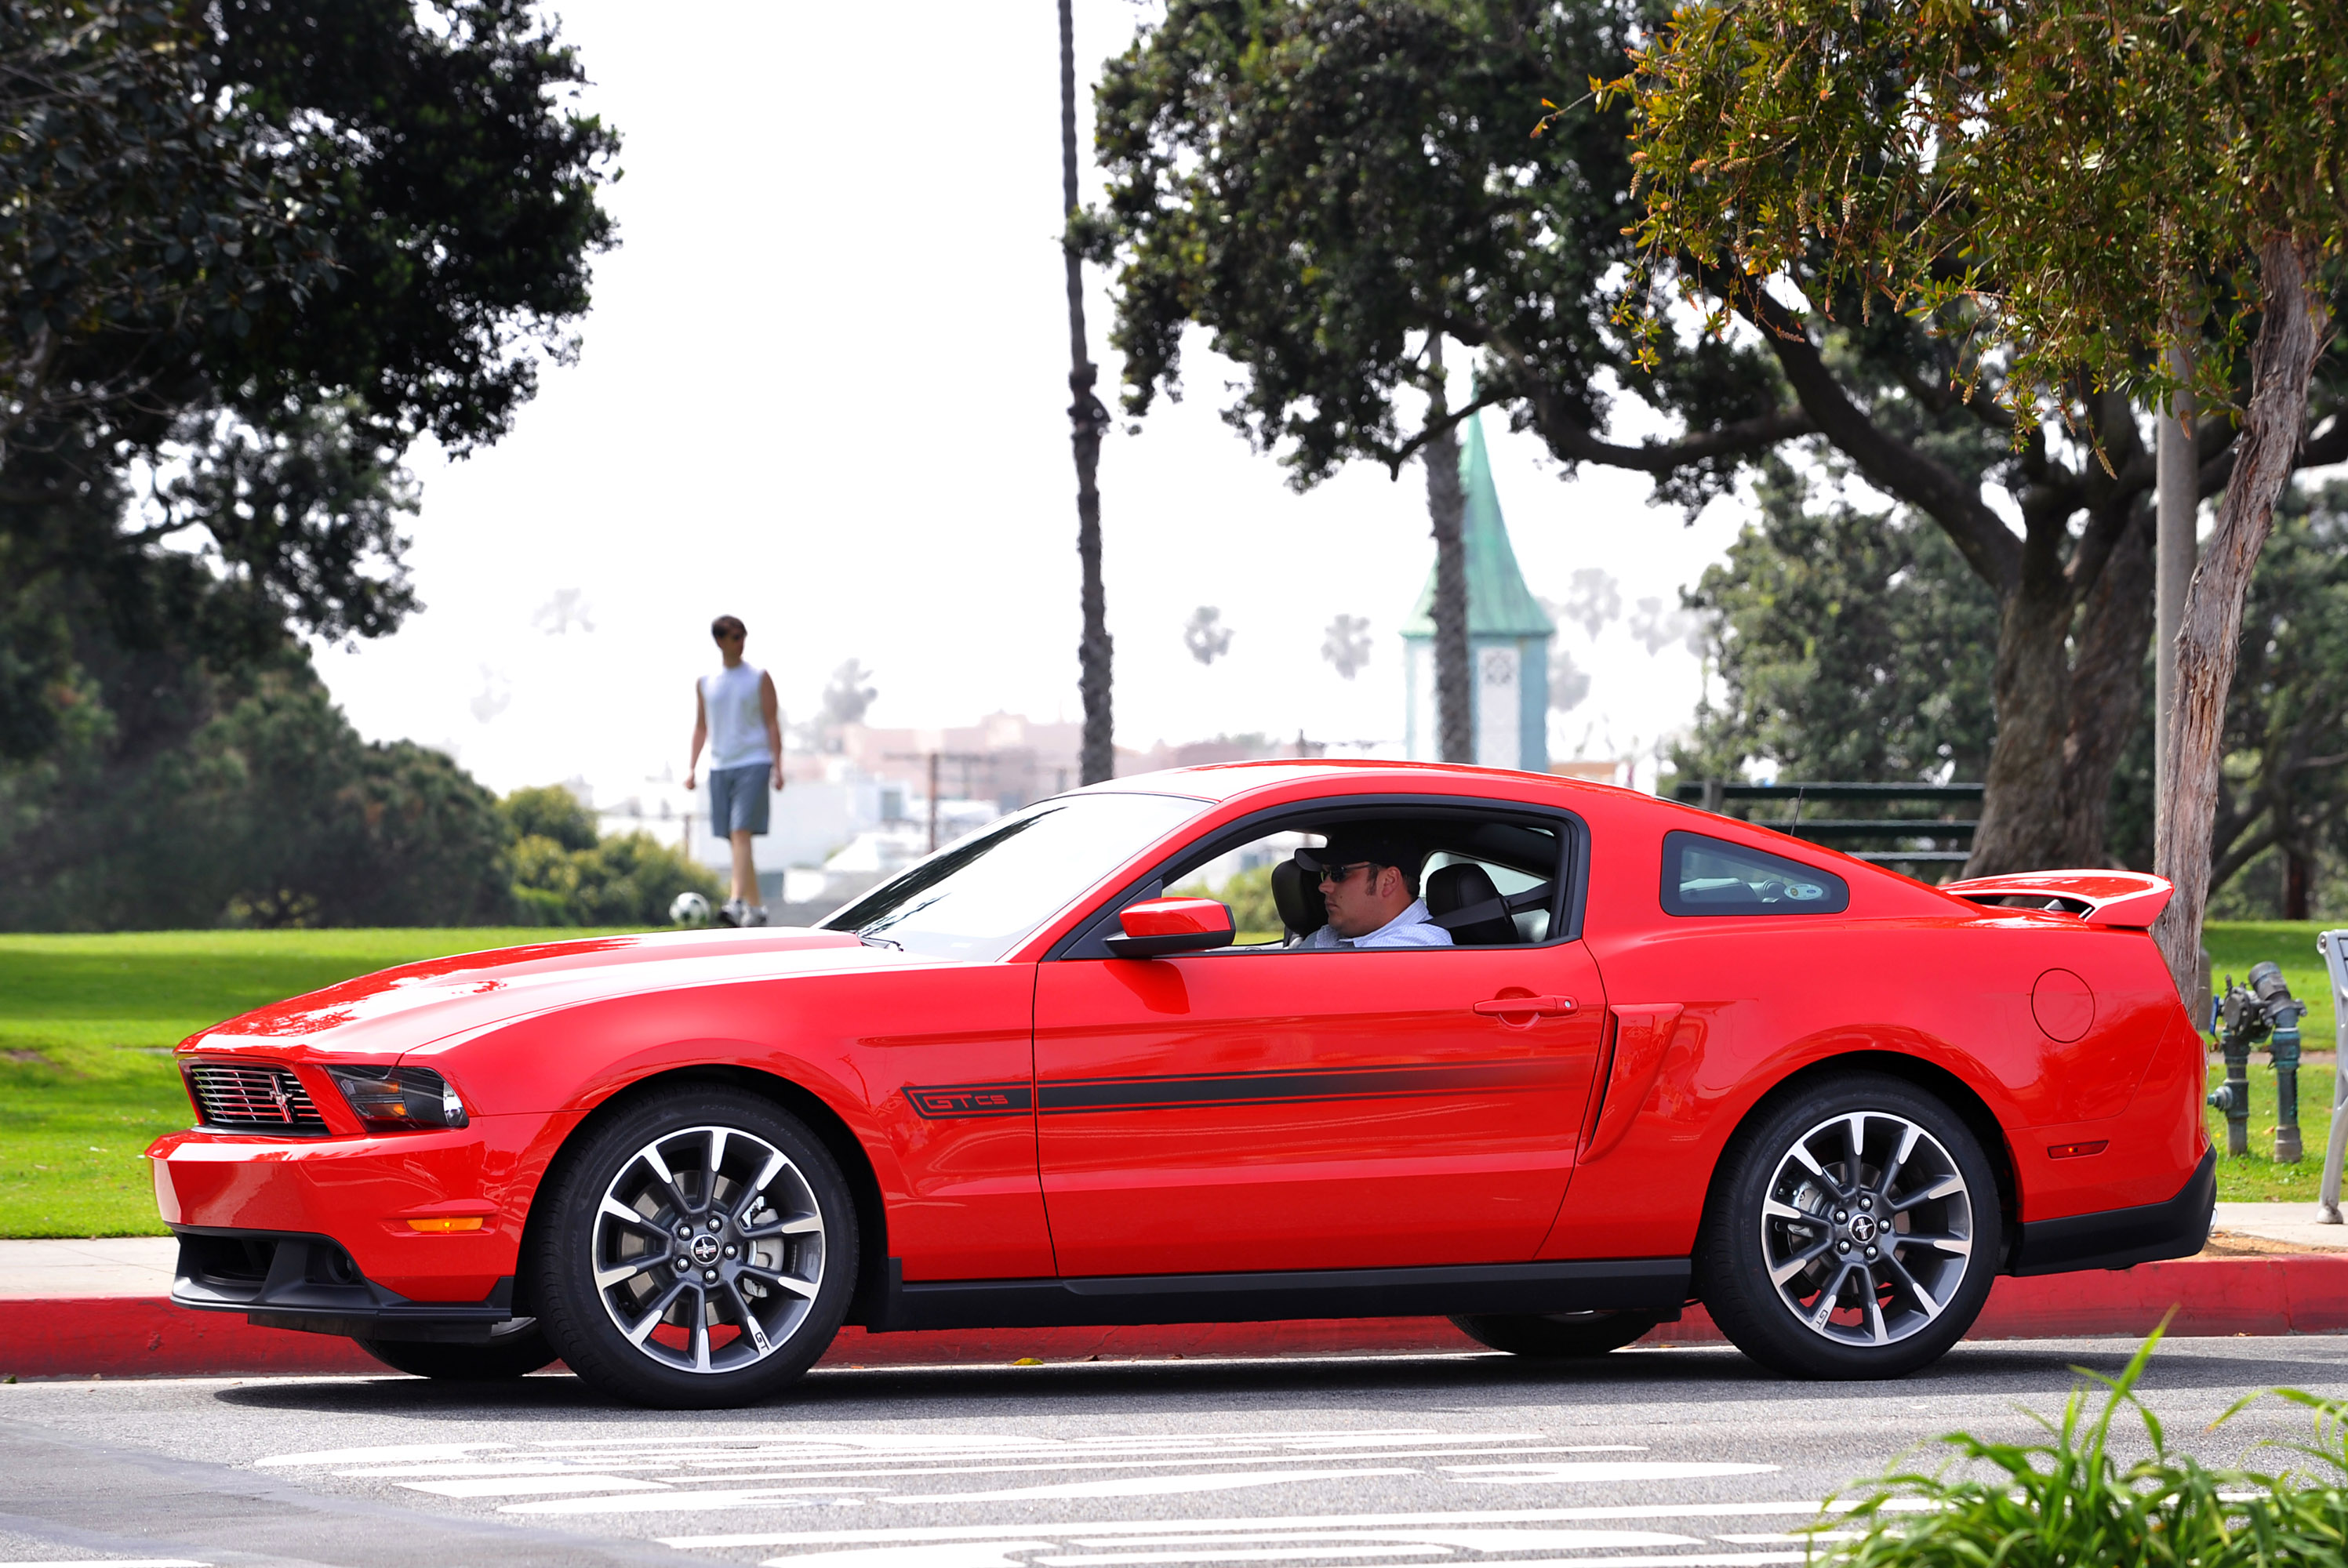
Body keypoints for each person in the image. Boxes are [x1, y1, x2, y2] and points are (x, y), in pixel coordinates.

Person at [685, 615, 784, 927]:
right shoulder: (706, 682)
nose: (741, 642)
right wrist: (691, 767)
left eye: (743, 636)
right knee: (737, 840)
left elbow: (771, 722)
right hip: (720, 766)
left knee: (741, 833)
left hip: (753, 762)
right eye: (734, 637)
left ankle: (735, 901)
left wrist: (778, 767)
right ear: (720, 641)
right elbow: (701, 726)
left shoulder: (758, 677)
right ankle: (756, 909)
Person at [1292, 836, 1452, 949]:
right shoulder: (1334, 934)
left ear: (1388, 881)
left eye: (1338, 873)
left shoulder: (1419, 947)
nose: (1323, 886)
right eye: (1325, 874)